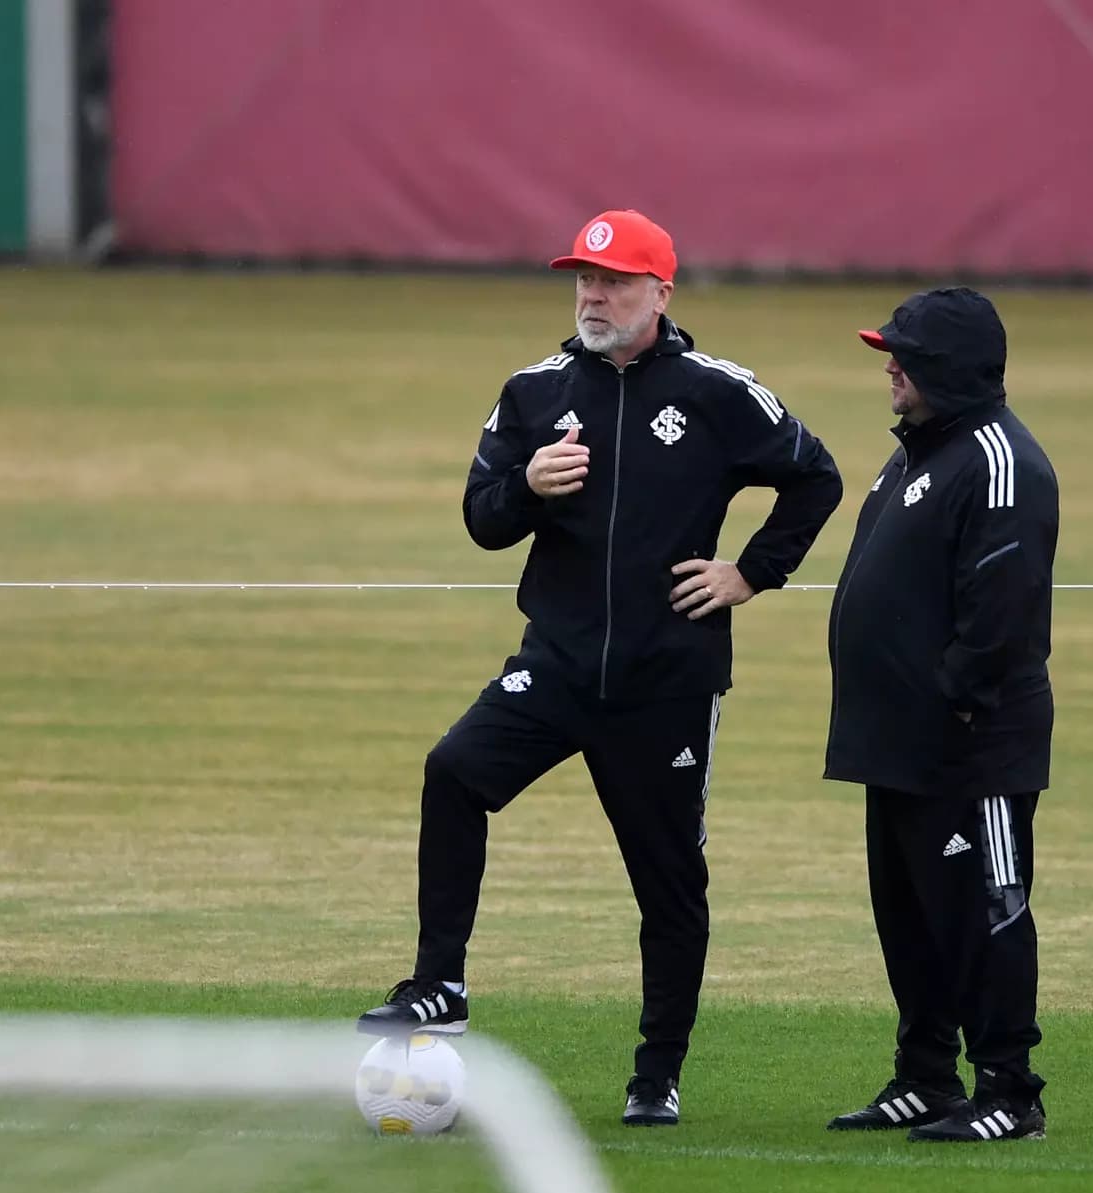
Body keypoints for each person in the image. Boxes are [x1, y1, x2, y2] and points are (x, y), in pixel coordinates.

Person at [357, 209, 843, 1127]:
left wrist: (749, 572)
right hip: (557, 666)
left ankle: (657, 1072)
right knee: (454, 771)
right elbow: (482, 518)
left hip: (667, 683)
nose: (593, 296)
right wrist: (526, 488)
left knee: (668, 881)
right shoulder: (532, 391)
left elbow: (816, 475)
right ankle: (439, 984)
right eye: (583, 278)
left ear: (661, 292)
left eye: (614, 282)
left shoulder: (717, 391)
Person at [822, 286, 1059, 1143]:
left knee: (985, 911)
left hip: (971, 748)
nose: (890, 365)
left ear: (950, 369)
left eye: (906, 355)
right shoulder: (918, 453)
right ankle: (926, 1074)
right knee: (910, 913)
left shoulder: (1001, 460)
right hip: (898, 743)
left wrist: (953, 702)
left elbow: (1000, 612)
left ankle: (1009, 1088)